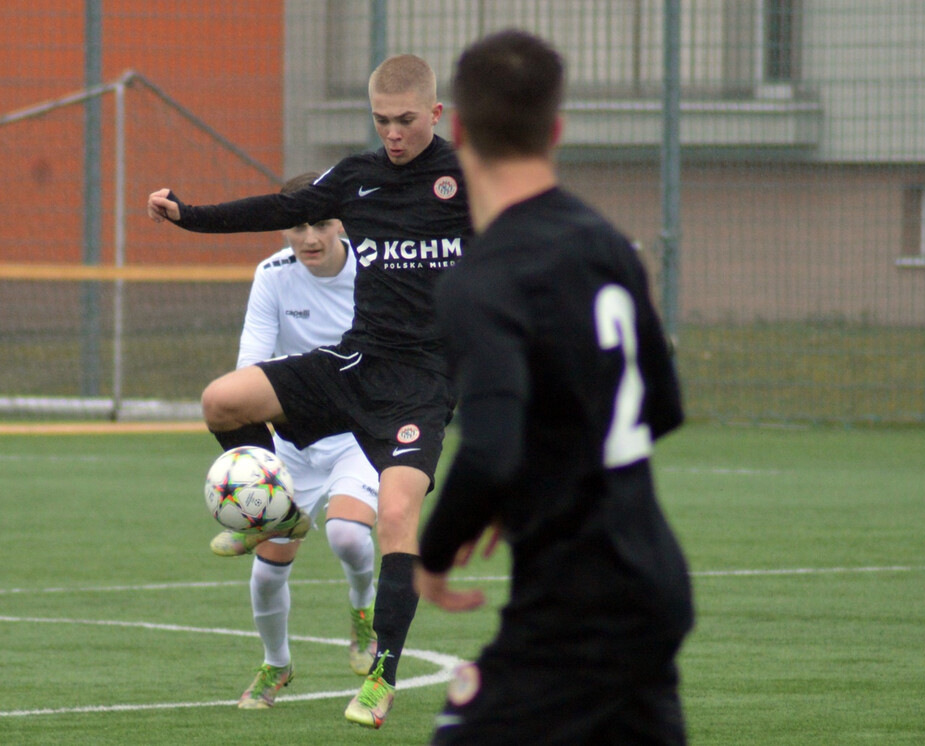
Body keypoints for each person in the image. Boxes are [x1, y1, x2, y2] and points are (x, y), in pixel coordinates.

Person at [148, 53, 471, 728]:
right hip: (355, 364)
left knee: (394, 519)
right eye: (382, 120)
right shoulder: (355, 179)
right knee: (222, 401)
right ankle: (282, 515)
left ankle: (381, 677)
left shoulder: (466, 183)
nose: (393, 134)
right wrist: (189, 215)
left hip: (423, 386)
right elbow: (281, 206)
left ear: (436, 115)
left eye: (406, 121)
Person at [414, 30, 695, 745]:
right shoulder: (605, 242)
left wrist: (435, 553)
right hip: (652, 579)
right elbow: (659, 406)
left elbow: (488, 452)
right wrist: (538, 475)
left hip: (580, 606)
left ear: (459, 130)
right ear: (557, 129)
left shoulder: (484, 278)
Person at [223, 171, 380, 709]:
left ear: (342, 222)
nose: (310, 237)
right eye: (296, 224)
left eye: (321, 222)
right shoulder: (272, 275)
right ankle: (277, 665)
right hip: (292, 441)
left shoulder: (372, 270)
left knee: (349, 538)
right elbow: (251, 365)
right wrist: (254, 465)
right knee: (268, 571)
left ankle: (363, 614)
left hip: (358, 435)